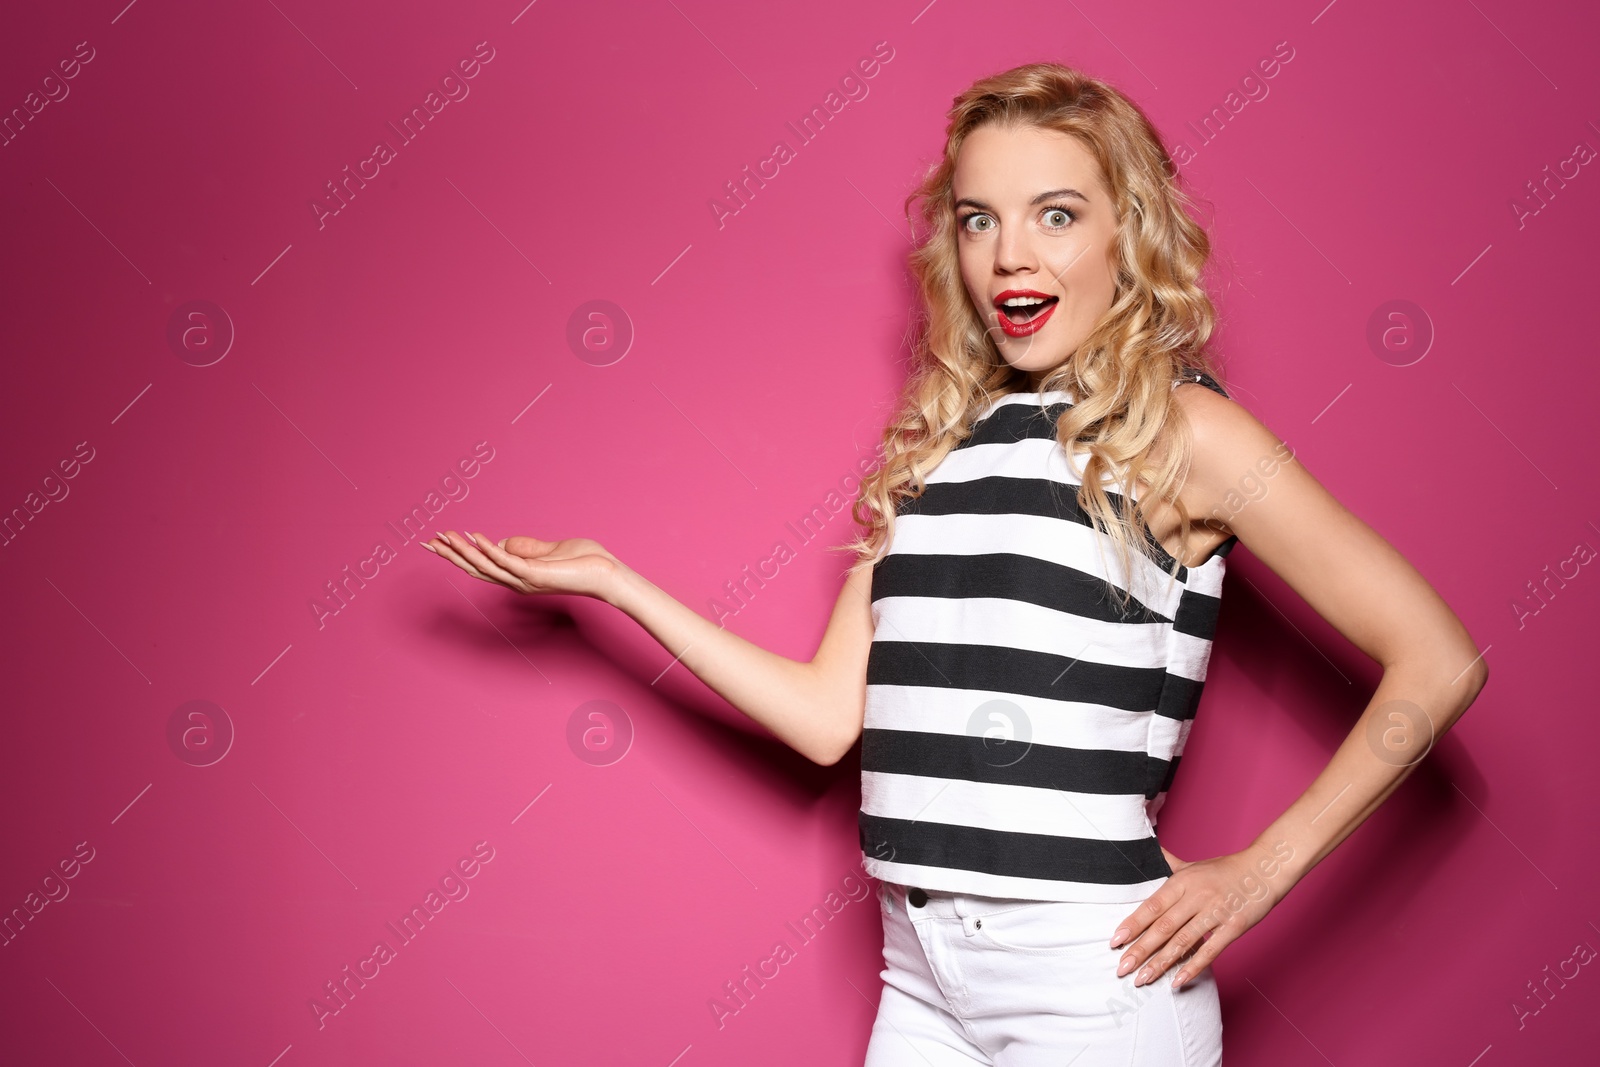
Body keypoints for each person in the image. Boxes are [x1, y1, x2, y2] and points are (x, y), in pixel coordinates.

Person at [420, 61, 1488, 1067]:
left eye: (1056, 215)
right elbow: (824, 717)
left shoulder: (1186, 432)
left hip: (1091, 976)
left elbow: (1437, 660)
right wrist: (615, 581)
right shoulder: (939, 443)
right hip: (921, 972)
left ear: (1131, 234)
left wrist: (1257, 874)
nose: (1009, 256)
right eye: (979, 220)